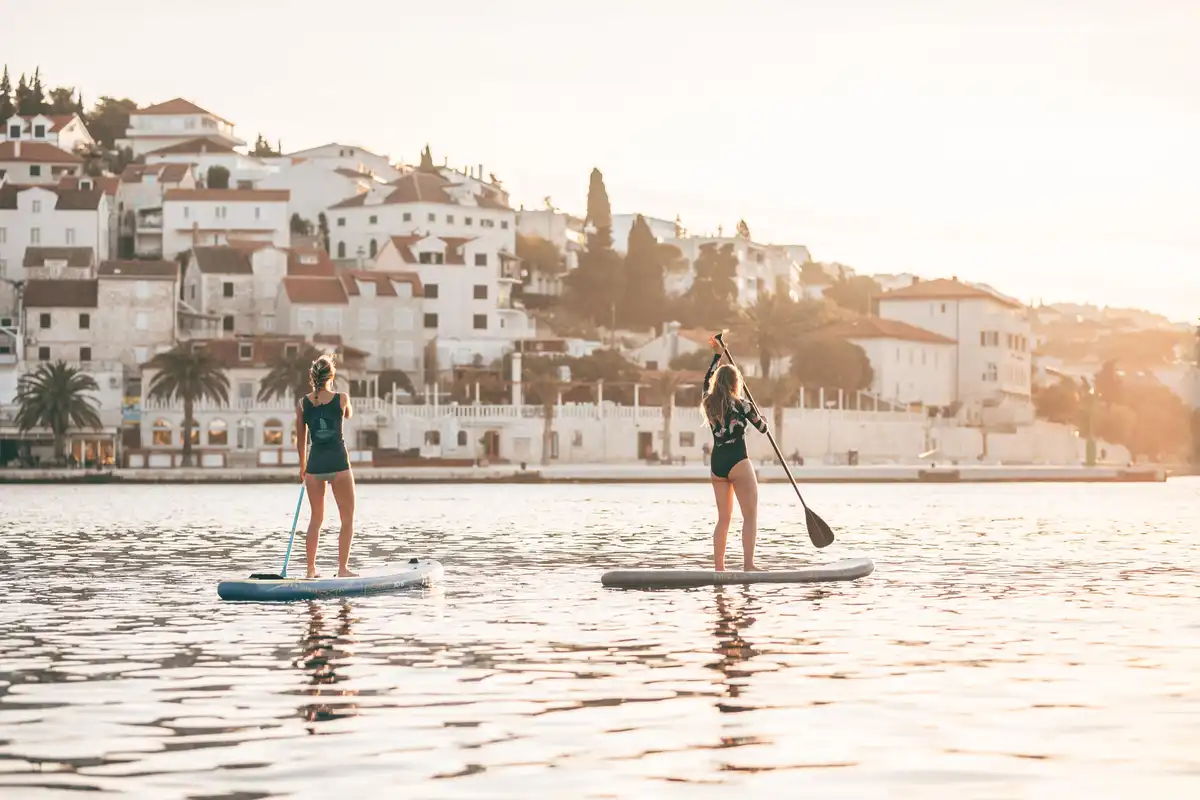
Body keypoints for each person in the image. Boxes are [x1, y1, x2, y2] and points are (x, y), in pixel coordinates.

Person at [701, 334, 769, 572]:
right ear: (736, 383)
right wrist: (762, 419)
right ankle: (748, 565)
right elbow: (762, 428)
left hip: (717, 464)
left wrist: (717, 356)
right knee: (749, 515)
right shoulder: (743, 405)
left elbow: (707, 378)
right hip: (738, 461)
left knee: (724, 518)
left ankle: (719, 569)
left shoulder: (708, 402)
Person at [296, 354, 357, 579]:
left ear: (313, 376)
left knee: (316, 519)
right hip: (339, 464)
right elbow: (348, 414)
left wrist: (302, 466)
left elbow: (301, 439)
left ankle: (311, 570)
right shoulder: (342, 398)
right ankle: (342, 569)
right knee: (347, 518)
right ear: (331, 375)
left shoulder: (303, 403)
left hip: (315, 466)